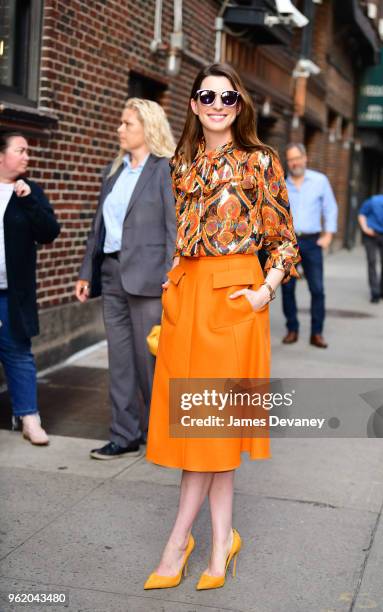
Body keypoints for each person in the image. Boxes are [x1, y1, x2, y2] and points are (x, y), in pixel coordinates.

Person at [143, 63, 299, 591]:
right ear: (192, 103)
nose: (216, 104)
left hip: (235, 301)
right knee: (206, 432)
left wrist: (264, 290)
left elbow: (284, 242)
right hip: (186, 301)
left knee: (210, 429)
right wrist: (171, 282)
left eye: (227, 98)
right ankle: (221, 540)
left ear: (240, 105)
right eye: (206, 96)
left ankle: (177, 542)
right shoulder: (181, 162)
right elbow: (184, 237)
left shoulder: (260, 161)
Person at [75, 99, 176, 459]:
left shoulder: (165, 169)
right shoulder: (113, 171)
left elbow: (173, 230)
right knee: (120, 361)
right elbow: (97, 228)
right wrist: (87, 272)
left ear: (147, 128)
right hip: (113, 275)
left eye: (127, 124)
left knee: (150, 361)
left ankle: (162, 434)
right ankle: (124, 434)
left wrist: (172, 276)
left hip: (151, 281)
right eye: (121, 123)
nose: (119, 129)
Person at [0, 130, 60, 444]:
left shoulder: (29, 191)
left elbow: (50, 232)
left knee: (18, 353)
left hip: (13, 292)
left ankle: (29, 418)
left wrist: (29, 201)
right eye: (20, 150)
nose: (27, 156)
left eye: (27, 151)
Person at [281, 143, 338, 349]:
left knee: (317, 289)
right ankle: (292, 329)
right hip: (288, 243)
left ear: (305, 158)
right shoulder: (282, 184)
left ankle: (317, 333)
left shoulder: (320, 181)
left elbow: (330, 208)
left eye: (297, 158)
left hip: (312, 241)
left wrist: (328, 235)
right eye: (290, 159)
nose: (294, 162)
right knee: (287, 288)